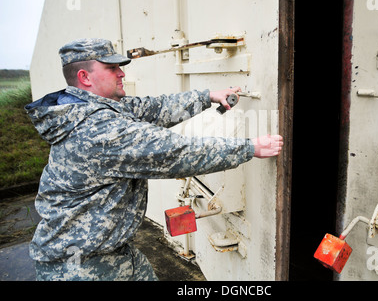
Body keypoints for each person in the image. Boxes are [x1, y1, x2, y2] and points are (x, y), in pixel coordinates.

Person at [25, 38, 283, 281]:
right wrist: (250, 147)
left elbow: (154, 107)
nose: (122, 73)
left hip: (110, 252)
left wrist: (208, 96)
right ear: (85, 77)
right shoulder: (95, 128)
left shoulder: (92, 106)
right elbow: (175, 153)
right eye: (112, 68)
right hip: (79, 266)